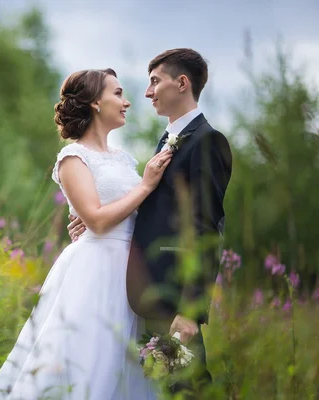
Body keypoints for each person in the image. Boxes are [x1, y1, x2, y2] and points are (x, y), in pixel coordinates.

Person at [0, 68, 171, 399]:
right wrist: (145, 185)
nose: (126, 102)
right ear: (96, 102)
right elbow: (97, 221)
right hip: (96, 271)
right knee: (88, 360)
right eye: (117, 93)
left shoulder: (124, 159)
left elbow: (127, 211)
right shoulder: (73, 158)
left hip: (131, 271)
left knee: (127, 364)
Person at [68, 48, 233, 398]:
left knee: (189, 387)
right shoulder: (168, 141)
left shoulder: (207, 141)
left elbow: (206, 231)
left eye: (154, 82)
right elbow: (158, 210)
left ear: (182, 83)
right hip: (144, 292)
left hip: (173, 297)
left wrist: (191, 312)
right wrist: (94, 221)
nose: (146, 93)